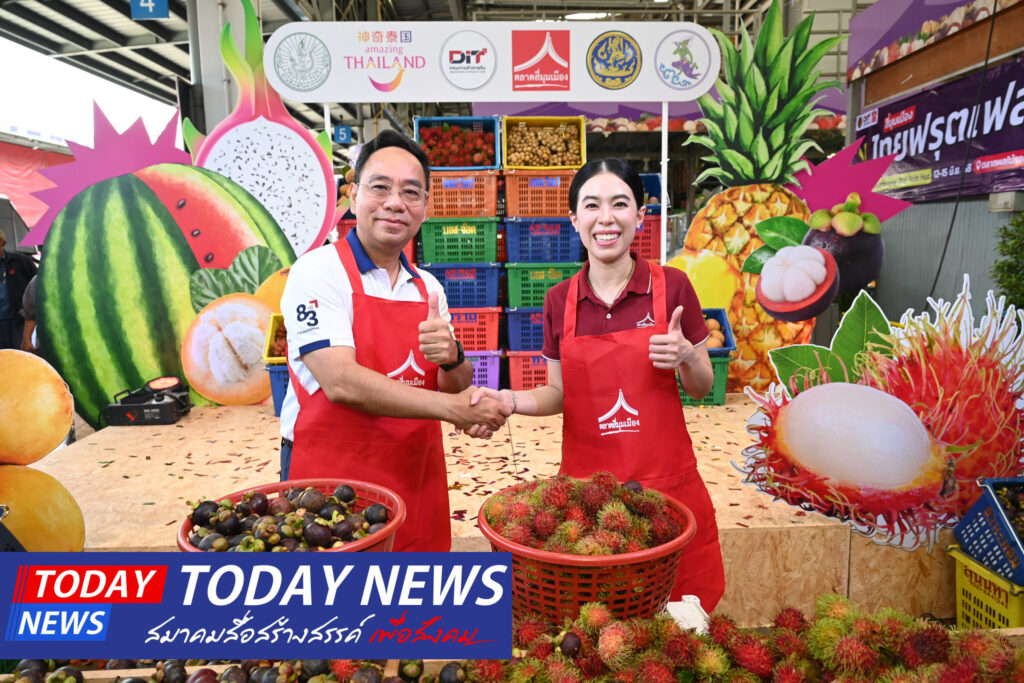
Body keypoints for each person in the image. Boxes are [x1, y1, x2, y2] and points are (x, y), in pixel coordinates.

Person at [472, 158, 726, 611]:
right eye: (592, 205)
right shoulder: (559, 300)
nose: (606, 218)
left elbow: (702, 387)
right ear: (574, 219)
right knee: (594, 615)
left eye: (620, 204)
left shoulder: (673, 287)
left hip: (666, 494)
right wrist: (508, 399)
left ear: (640, 215)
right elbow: (558, 392)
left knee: (678, 617)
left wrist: (688, 356)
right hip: (586, 501)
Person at [278, 129, 509, 553]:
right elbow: (341, 382)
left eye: (410, 192)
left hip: (413, 472)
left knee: (416, 585)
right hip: (329, 480)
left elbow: (455, 385)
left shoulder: (428, 287)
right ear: (354, 194)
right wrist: (455, 410)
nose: (395, 202)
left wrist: (453, 357)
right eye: (380, 187)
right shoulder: (317, 272)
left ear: (426, 207)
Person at [0, 231, 37, 350]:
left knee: (20, 355)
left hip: (18, 322)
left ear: (2, 242)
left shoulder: (21, 261)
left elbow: (38, 287)